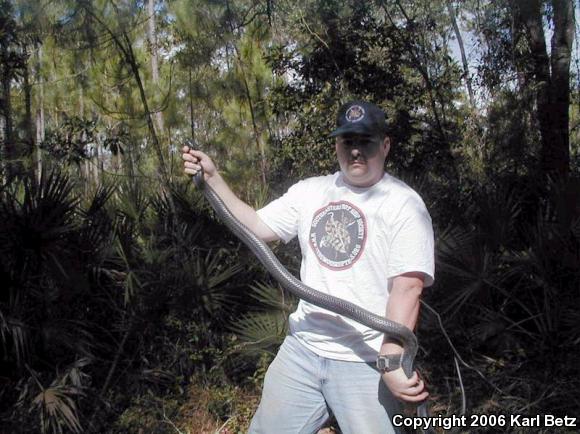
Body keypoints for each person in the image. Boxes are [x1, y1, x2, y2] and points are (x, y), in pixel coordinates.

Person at [182, 100, 434, 434]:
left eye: (366, 141)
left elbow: (408, 287)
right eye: (348, 142)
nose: (356, 151)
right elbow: (258, 226)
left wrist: (390, 359)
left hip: (366, 359)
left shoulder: (404, 205)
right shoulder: (311, 192)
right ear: (336, 146)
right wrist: (213, 180)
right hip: (303, 349)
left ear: (385, 145)